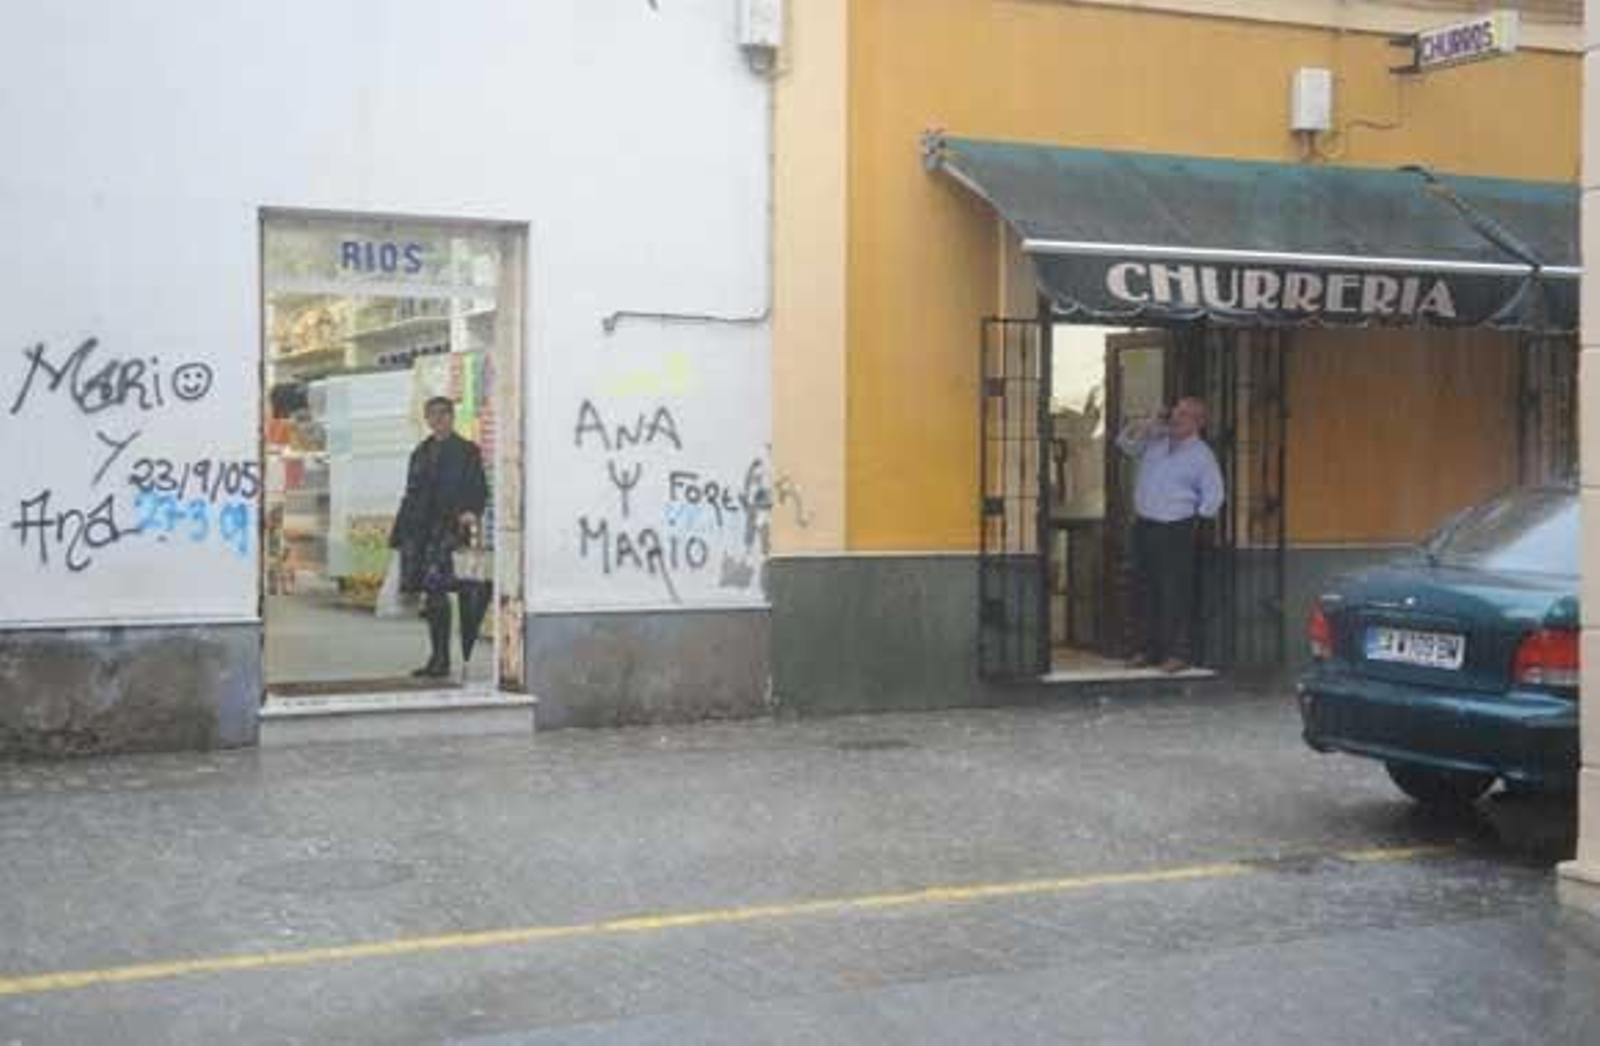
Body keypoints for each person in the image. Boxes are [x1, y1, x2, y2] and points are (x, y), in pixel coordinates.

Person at [1115, 396, 1225, 674]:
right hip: (1145, 525)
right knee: (1143, 589)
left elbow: (1214, 495)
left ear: (1198, 422)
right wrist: (1146, 424)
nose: (1177, 418)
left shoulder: (1202, 455)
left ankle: (1178, 653)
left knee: (1174, 592)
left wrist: (1196, 523)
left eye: (1185, 415)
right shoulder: (1156, 442)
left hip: (1177, 528)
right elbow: (1124, 445)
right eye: (1176, 412)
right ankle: (1145, 650)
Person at [389, 396, 488, 679]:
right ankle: (438, 657)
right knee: (432, 595)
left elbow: (478, 487)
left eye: (442, 414)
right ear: (427, 419)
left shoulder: (467, 451)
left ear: (451, 417)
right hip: (421, 530)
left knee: (441, 590)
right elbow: (411, 493)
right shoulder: (420, 452)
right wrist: (399, 534)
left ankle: (445, 658)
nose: (437, 420)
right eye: (432, 415)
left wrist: (471, 511)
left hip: (450, 531)